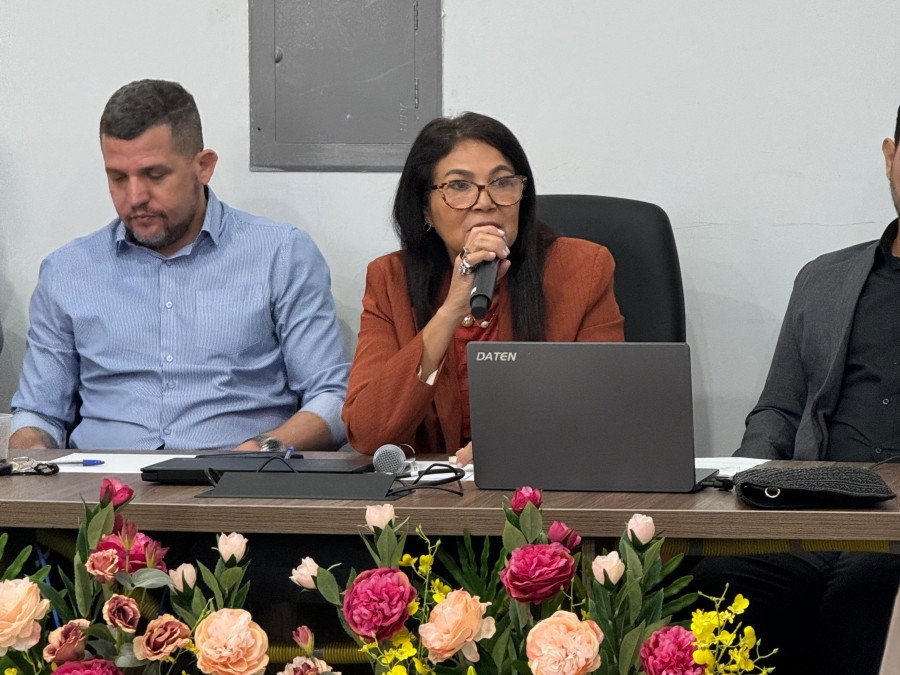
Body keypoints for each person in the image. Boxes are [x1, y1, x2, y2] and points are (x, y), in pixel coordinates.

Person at [9, 79, 349, 452]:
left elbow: (332, 399)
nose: (135, 197)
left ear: (203, 167)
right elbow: (39, 414)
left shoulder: (281, 255)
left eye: (155, 175)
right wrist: (30, 448)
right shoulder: (68, 271)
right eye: (118, 177)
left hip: (237, 485)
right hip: (100, 495)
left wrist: (257, 452)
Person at [690, 105, 900, 675]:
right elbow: (779, 408)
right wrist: (744, 482)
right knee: (711, 582)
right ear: (890, 158)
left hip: (895, 535)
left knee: (871, 590)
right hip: (813, 515)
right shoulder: (823, 279)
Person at [342, 112, 624, 463]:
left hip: (545, 486)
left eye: (502, 182)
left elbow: (604, 410)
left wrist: (512, 446)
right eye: (459, 186)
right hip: (432, 501)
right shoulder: (390, 280)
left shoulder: (582, 269)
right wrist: (452, 308)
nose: (486, 201)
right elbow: (369, 432)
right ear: (425, 209)